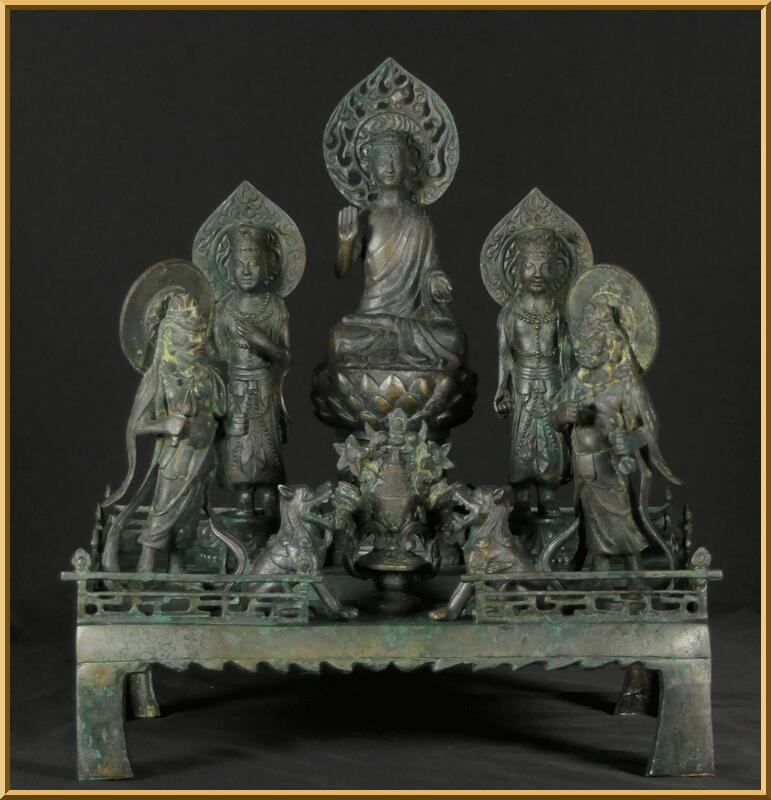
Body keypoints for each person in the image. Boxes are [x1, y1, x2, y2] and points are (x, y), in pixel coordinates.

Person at [551, 296, 679, 572]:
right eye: (582, 337)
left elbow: (649, 428)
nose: (584, 344)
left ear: (611, 339)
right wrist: (560, 417)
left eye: (593, 336)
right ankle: (600, 574)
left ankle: (634, 576)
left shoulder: (624, 382)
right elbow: (555, 421)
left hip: (610, 469)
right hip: (584, 471)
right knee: (590, 530)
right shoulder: (577, 381)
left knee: (622, 523)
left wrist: (631, 440)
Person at [102, 292, 226, 574]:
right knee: (163, 513)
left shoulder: (207, 374)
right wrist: (166, 423)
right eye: (189, 335)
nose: (197, 340)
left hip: (203, 458)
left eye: (200, 333)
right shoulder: (159, 376)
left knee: (189, 517)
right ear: (169, 335)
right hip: (175, 458)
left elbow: (220, 412)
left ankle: (177, 569)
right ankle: (146, 568)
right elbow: (138, 424)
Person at [330, 129, 466, 370]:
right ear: (370, 168)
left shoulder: (419, 221)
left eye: (396, 160)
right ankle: (396, 348)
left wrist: (437, 281)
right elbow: (341, 271)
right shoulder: (365, 218)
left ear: (409, 167)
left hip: (412, 318)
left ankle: (389, 349)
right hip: (371, 317)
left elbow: (430, 270)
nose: (390, 167)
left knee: (454, 339)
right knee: (340, 340)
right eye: (383, 160)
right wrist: (346, 243)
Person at [213, 223, 290, 517]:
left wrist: (263, 342)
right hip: (236, 388)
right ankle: (244, 498)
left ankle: (270, 499)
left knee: (268, 448)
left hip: (265, 387)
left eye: (254, 263)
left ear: (268, 265)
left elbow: (287, 358)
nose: (246, 270)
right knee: (239, 445)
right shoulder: (223, 310)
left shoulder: (276, 308)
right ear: (228, 267)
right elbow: (216, 352)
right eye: (239, 264)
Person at [495, 228, 571, 514]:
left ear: (556, 269)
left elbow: (566, 354)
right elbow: (505, 354)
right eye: (529, 266)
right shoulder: (511, 312)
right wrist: (502, 388)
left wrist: (570, 388)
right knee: (522, 444)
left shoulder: (559, 312)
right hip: (523, 384)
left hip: (553, 383)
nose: (537, 273)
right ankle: (522, 496)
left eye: (544, 266)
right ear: (517, 270)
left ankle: (548, 495)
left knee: (552, 443)